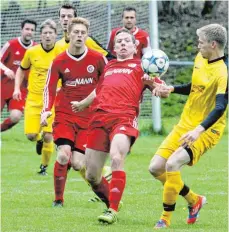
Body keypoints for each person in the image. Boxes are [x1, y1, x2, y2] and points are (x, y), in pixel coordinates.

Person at [72, 28, 160, 224]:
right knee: (92, 175)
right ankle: (113, 201)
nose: (121, 44)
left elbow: (158, 85)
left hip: (124, 118)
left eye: (126, 41)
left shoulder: (143, 66)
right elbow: (98, 90)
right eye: (118, 41)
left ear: (135, 45)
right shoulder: (109, 66)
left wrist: (159, 89)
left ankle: (112, 210)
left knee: (116, 157)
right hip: (99, 119)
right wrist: (82, 104)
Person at [148, 23, 228, 229]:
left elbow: (220, 107)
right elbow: (196, 87)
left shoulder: (223, 72)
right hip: (185, 124)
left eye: (200, 42)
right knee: (155, 168)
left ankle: (164, 219)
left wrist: (198, 130)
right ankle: (194, 200)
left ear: (213, 44)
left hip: (207, 130)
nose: (197, 46)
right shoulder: (201, 58)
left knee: (172, 164)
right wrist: (171, 88)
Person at [40, 17, 108, 207]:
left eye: (83, 33)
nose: (79, 36)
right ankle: (58, 200)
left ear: (87, 35)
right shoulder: (59, 61)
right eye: (76, 32)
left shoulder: (97, 59)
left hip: (89, 118)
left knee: (78, 164)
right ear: (68, 34)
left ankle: (111, 202)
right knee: (63, 155)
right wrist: (46, 110)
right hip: (65, 115)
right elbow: (49, 87)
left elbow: (107, 84)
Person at [56, 2, 114, 201]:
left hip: (88, 110)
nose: (65, 19)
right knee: (67, 156)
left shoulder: (90, 46)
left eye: (69, 16)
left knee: (78, 162)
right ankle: (60, 197)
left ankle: (101, 178)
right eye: (62, 16)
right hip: (64, 108)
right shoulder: (58, 47)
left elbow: (109, 59)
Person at [13, 19, 62, 175]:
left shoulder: (61, 53)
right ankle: (38, 138)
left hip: (53, 99)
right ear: (40, 36)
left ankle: (44, 167)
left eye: (51, 33)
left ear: (55, 35)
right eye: (45, 33)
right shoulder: (32, 52)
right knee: (30, 136)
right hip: (34, 99)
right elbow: (21, 70)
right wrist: (16, 88)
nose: (48, 36)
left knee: (49, 136)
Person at [0, 19, 37, 132]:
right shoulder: (11, 44)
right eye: (27, 29)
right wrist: (6, 69)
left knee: (16, 117)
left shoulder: (36, 49)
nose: (29, 32)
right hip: (2, 86)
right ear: (21, 30)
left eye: (32, 30)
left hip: (20, 90)